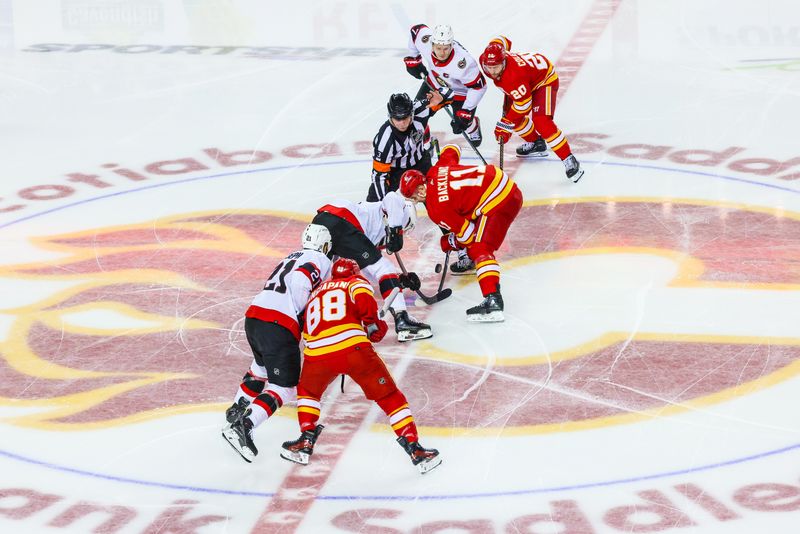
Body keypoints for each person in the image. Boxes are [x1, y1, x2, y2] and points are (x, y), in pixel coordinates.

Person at [280, 258, 442, 474]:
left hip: (316, 353)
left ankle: (305, 440)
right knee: (389, 396)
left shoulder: (316, 293)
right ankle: (414, 448)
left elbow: (313, 324)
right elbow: (366, 305)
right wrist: (373, 323)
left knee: (308, 392)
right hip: (353, 349)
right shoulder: (354, 282)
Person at [221, 224, 333, 463]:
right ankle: (245, 424)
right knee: (285, 386)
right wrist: (303, 316)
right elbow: (304, 280)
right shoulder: (321, 260)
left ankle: (236, 409)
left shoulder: (291, 256)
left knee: (260, 369)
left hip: (255, 315)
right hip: (279, 323)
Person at [400, 144, 522, 322]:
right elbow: (453, 149)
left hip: (499, 202)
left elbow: (468, 235)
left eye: (414, 198)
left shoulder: (436, 209)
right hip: (504, 185)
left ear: (419, 190)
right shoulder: (436, 169)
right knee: (469, 216)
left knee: (479, 248)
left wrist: (450, 242)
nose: (416, 201)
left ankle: (493, 300)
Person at [311, 190, 432, 341]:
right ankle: (402, 320)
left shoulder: (370, 223)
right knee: (384, 268)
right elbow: (392, 197)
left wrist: (398, 280)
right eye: (404, 228)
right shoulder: (392, 210)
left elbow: (370, 271)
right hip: (342, 221)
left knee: (319, 276)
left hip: (322, 220)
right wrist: (396, 230)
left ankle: (305, 321)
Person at [479, 36, 584, 183]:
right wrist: (508, 121)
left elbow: (524, 105)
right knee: (515, 119)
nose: (491, 71)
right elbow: (503, 40)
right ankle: (536, 143)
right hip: (524, 82)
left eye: (495, 67)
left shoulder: (513, 76)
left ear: (503, 62)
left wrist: (506, 123)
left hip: (543, 80)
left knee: (542, 122)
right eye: (488, 67)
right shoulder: (489, 59)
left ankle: (569, 158)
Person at [403, 23, 487, 147]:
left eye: (446, 48)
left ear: (452, 45)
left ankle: (473, 126)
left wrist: (466, 111)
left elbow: (480, 86)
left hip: (459, 93)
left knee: (463, 124)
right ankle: (423, 145)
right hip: (434, 85)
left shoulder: (464, 62)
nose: (442, 53)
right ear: (432, 44)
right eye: (438, 48)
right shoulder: (425, 41)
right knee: (417, 115)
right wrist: (414, 59)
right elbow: (415, 31)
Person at [367, 91, 444, 201]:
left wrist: (441, 98)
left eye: (405, 117)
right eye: (397, 119)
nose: (402, 123)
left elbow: (449, 95)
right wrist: (383, 204)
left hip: (421, 163)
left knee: (438, 199)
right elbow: (380, 176)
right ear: (390, 116)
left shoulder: (420, 111)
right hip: (395, 173)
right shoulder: (385, 140)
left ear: (411, 113)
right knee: (373, 207)